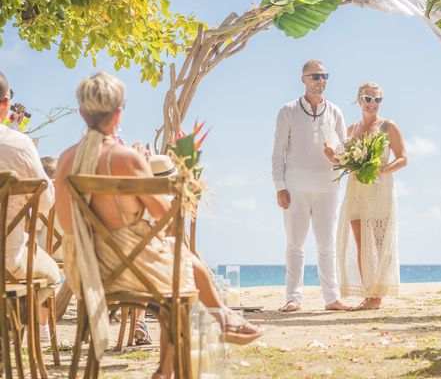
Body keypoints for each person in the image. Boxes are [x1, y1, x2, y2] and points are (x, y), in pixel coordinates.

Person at [54, 72, 263, 379]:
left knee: (182, 267)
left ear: (83, 113)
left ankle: (208, 333)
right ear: (119, 111)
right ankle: (216, 324)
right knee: (184, 267)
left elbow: (65, 223)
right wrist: (141, 167)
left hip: (84, 268)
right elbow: (167, 220)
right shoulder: (126, 158)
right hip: (129, 269)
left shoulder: (65, 160)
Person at [272, 60, 352, 312]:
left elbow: (344, 151)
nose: (321, 80)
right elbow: (277, 152)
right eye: (316, 76)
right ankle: (293, 298)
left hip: (328, 186)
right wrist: (280, 186)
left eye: (325, 75)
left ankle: (332, 298)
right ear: (303, 79)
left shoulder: (335, 111)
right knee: (295, 244)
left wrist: (336, 157)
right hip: (295, 187)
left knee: (327, 244)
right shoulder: (288, 111)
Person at [326, 82, 407, 310]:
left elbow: (403, 158)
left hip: (380, 190)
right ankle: (369, 294)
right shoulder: (351, 129)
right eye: (369, 99)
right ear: (359, 100)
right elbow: (344, 161)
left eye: (378, 99)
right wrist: (332, 156)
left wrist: (382, 169)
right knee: (362, 243)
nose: (373, 104)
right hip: (357, 191)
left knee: (378, 244)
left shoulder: (388, 126)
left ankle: (377, 296)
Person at [0, 71, 60, 343]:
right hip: (10, 264)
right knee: (53, 275)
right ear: (5, 104)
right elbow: (46, 201)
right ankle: (13, 338)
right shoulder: (20, 144)